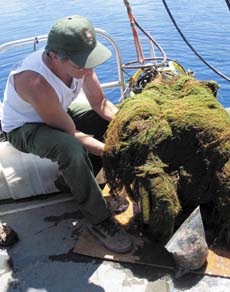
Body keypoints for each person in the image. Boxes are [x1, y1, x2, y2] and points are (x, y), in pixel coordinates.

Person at [1, 15, 133, 253]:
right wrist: (112, 152)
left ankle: (70, 179)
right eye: (79, 65)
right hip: (25, 127)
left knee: (112, 124)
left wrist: (129, 123)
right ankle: (99, 219)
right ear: (53, 57)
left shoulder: (81, 63)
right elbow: (71, 135)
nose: (86, 68)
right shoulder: (35, 82)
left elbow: (101, 104)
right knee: (70, 150)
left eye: (88, 60)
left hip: (56, 110)